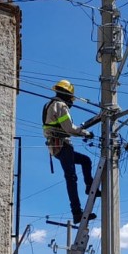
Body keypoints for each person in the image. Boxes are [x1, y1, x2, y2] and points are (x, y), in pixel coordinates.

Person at [42, 79, 97, 224]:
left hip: (57, 147)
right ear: (68, 94)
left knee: (86, 161)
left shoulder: (50, 104)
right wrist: (86, 133)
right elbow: (69, 129)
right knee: (71, 178)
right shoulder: (60, 105)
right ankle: (77, 213)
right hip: (61, 145)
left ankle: (90, 188)